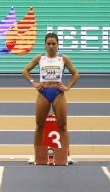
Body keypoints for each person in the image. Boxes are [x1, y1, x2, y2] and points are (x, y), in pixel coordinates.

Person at [21, 33, 79, 164]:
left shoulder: (63, 59)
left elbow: (76, 74)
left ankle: (66, 155)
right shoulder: (40, 58)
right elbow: (25, 71)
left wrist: (68, 86)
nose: (51, 46)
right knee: (39, 125)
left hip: (58, 93)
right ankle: (37, 155)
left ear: (58, 45)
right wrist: (34, 83)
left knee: (63, 125)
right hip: (43, 93)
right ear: (45, 45)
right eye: (49, 44)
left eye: (54, 44)